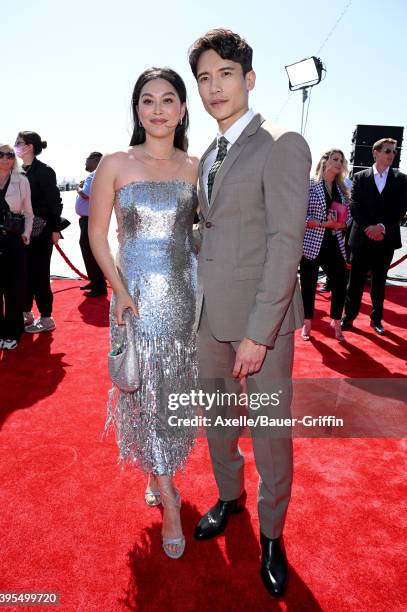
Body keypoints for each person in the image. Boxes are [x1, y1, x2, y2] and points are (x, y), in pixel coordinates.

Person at [188, 29, 311, 597]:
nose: (215, 88)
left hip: (262, 323)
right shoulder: (208, 154)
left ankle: (271, 533)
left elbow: (286, 242)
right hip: (209, 317)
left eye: (226, 75)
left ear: (250, 79)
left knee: (268, 432)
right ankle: (230, 498)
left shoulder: (282, 143)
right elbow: (212, 229)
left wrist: (259, 334)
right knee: (217, 421)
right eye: (205, 78)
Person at [89, 68, 198, 560]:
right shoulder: (114, 163)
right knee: (144, 389)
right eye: (147, 100)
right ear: (136, 109)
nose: (157, 109)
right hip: (133, 299)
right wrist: (119, 290)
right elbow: (97, 237)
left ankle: (162, 471)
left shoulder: (196, 167)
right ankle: (170, 496)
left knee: (171, 392)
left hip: (181, 297)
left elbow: (202, 236)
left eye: (168, 99)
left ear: (181, 109)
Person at [342, 138, 407, 335]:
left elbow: (401, 208)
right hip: (362, 238)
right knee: (355, 282)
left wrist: (381, 227)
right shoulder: (360, 177)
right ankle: (349, 317)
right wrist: (369, 227)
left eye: (394, 152)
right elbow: (355, 205)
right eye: (387, 151)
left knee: (379, 282)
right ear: (375, 153)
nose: (391, 155)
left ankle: (376, 319)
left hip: (386, 239)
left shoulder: (402, 179)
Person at [299, 149, 352, 342]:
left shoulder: (342, 189)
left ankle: (336, 321)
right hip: (312, 243)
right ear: (325, 161)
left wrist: (342, 224)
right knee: (308, 284)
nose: (339, 163)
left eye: (341, 160)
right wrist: (321, 223)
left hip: (334, 243)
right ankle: (307, 323)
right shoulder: (310, 185)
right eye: (335, 159)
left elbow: (349, 215)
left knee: (340, 282)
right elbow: (299, 214)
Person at [0, 145, 33, 349]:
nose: (5, 158)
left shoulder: (22, 181)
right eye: (1, 154)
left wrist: (25, 234)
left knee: (14, 288)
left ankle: (13, 332)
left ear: (14, 159)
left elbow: (29, 212)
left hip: (13, 239)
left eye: (10, 155)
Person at [14, 131, 63, 333]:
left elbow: (54, 202)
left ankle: (46, 317)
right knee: (22, 273)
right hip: (18, 231)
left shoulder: (44, 171)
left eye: (19, 143)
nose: (15, 146)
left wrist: (55, 229)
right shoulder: (15, 171)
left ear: (30, 146)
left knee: (39, 274)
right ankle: (26, 312)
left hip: (41, 229)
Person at [75, 152, 107, 297]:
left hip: (90, 219)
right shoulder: (99, 174)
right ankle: (95, 281)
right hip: (90, 219)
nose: (85, 163)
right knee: (88, 250)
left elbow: (86, 194)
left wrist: (78, 188)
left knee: (91, 251)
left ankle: (99, 285)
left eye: (87, 159)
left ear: (95, 160)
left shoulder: (94, 174)